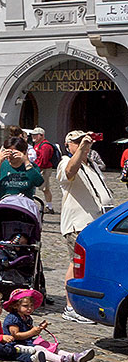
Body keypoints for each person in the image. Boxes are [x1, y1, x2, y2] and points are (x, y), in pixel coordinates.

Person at [58, 129, 112, 323]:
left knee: (89, 266)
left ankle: (85, 303)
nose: (84, 145)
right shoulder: (66, 161)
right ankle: (70, 307)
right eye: (77, 142)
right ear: (69, 145)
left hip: (96, 223)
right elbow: (70, 171)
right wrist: (81, 149)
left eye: (85, 142)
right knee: (76, 264)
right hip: (77, 225)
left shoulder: (92, 165)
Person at [2, 288, 94, 362]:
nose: (29, 308)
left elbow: (30, 332)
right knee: (39, 349)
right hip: (17, 345)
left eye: (31, 306)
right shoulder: (13, 318)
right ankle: (62, 359)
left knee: (49, 346)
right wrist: (32, 332)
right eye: (26, 306)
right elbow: (16, 335)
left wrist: (39, 328)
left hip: (28, 341)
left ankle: (75, 356)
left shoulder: (27, 317)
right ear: (15, 306)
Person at [0, 136, 45, 203]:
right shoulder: (2, 165)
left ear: (23, 152)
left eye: (13, 153)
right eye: (7, 152)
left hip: (23, 206)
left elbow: (39, 182)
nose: (10, 155)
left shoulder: (30, 166)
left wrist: (26, 161)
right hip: (3, 207)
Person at [30, 127, 59, 209]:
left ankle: (49, 206)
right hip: (39, 168)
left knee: (45, 188)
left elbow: (43, 160)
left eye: (36, 135)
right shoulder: (37, 145)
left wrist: (37, 169)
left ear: (41, 135)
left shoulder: (45, 146)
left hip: (44, 169)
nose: (33, 137)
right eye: (33, 135)